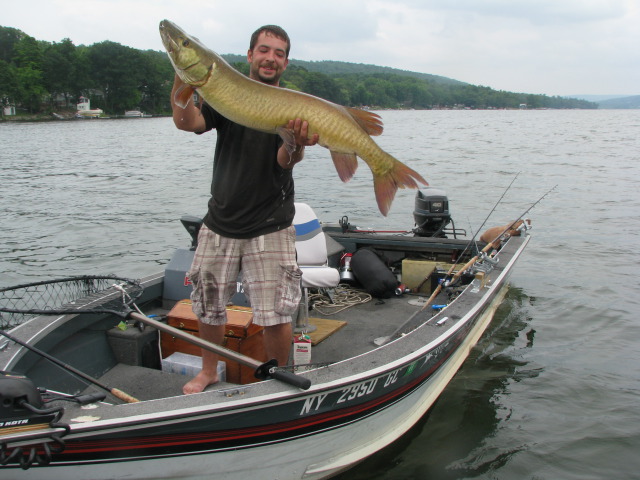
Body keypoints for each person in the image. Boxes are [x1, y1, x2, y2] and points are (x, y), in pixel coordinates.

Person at [170, 25, 319, 394]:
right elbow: (187, 121)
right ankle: (208, 371)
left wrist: (297, 145)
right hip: (220, 221)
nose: (271, 58)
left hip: (271, 224)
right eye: (264, 50)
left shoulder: (290, 106)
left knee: (275, 313)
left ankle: (276, 376)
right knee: (208, 307)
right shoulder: (224, 94)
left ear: (285, 61)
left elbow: (285, 160)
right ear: (250, 55)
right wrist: (181, 74)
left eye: (279, 53)